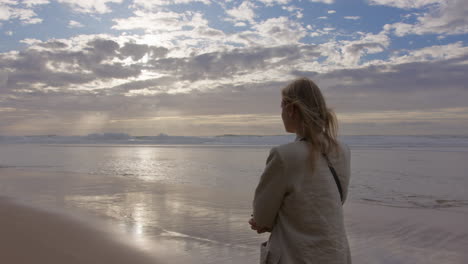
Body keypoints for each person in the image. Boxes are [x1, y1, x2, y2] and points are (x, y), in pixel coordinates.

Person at [249, 77, 351, 264]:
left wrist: (261, 222)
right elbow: (337, 200)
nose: (281, 113)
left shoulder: (284, 156)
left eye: (282, 106)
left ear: (292, 109)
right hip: (336, 255)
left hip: (295, 256)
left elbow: (262, 216)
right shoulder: (342, 150)